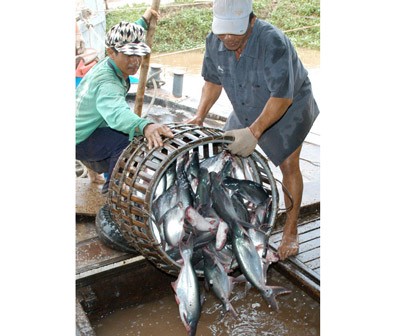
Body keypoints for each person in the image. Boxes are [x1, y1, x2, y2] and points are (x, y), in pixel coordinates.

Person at [186, 0, 320, 260]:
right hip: (247, 100)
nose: (227, 38)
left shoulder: (273, 43)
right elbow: (212, 81)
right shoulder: (215, 41)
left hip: (289, 104)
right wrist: (198, 116)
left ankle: (290, 230)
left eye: (234, 31)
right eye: (221, 31)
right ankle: (231, 215)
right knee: (223, 155)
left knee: (289, 164)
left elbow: (282, 97)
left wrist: (254, 132)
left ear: (251, 20)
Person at [76, 8, 174, 195]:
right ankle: (112, 196)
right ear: (111, 52)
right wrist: (145, 126)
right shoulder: (107, 82)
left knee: (115, 133)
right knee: (128, 141)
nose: (136, 61)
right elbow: (116, 113)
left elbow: (131, 33)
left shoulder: (110, 57)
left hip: (83, 126)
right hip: (79, 138)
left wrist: (144, 20)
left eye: (139, 54)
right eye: (129, 55)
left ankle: (94, 170)